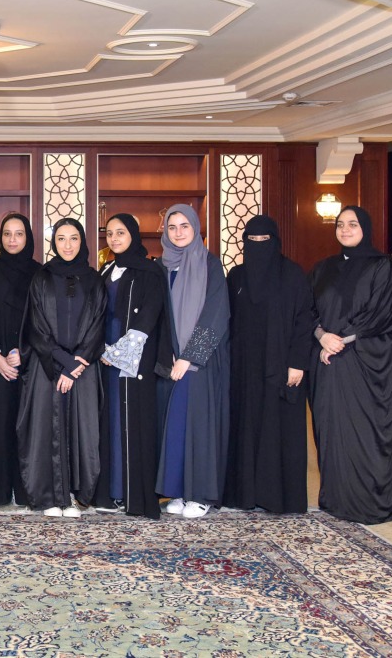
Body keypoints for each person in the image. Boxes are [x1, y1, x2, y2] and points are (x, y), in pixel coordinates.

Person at [309, 206, 392, 525]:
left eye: (353, 224)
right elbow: (308, 310)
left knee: (364, 433)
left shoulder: (383, 267)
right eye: (340, 224)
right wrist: (323, 337)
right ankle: (336, 498)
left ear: (365, 228)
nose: (345, 229)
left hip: (364, 363)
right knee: (331, 431)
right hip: (327, 363)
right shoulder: (323, 268)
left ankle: (367, 502)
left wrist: (341, 341)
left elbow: (381, 315)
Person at [223, 215, 314, 514]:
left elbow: (304, 321)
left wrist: (297, 362)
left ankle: (277, 498)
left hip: (281, 367)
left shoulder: (293, 275)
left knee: (278, 430)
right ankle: (244, 495)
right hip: (243, 369)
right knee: (245, 428)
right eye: (252, 240)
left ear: (276, 242)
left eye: (265, 240)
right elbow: (227, 322)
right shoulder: (236, 276)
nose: (258, 245)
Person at [16, 218, 105, 517]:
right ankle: (50, 498)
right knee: (46, 429)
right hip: (47, 366)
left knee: (83, 431)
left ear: (82, 241)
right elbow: (35, 326)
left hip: (83, 369)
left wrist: (75, 365)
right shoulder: (41, 278)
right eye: (61, 239)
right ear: (53, 242)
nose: (67, 245)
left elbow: (98, 326)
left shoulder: (95, 280)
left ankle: (76, 496)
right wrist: (64, 363)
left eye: (74, 238)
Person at [155, 204, 230, 520]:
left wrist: (189, 356)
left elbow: (216, 313)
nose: (178, 232)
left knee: (199, 426)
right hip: (171, 360)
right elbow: (158, 314)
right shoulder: (161, 267)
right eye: (172, 227)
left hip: (201, 361)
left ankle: (200, 494)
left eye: (184, 226)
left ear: (196, 228)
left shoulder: (210, 265)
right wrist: (168, 353)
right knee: (175, 426)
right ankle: (179, 490)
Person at [93, 213, 167, 520]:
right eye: (109, 233)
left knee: (132, 421)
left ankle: (132, 494)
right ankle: (110, 492)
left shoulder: (150, 270)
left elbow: (149, 315)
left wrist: (118, 353)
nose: (114, 238)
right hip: (104, 355)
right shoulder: (106, 270)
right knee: (109, 420)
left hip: (134, 357)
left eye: (120, 232)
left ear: (133, 234)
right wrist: (99, 348)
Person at [0, 213, 40, 508]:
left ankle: (27, 490)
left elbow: (45, 319)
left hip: (32, 360)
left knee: (29, 425)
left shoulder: (40, 273)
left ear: (28, 237)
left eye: (19, 233)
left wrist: (23, 351)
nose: (13, 239)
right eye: (7, 234)